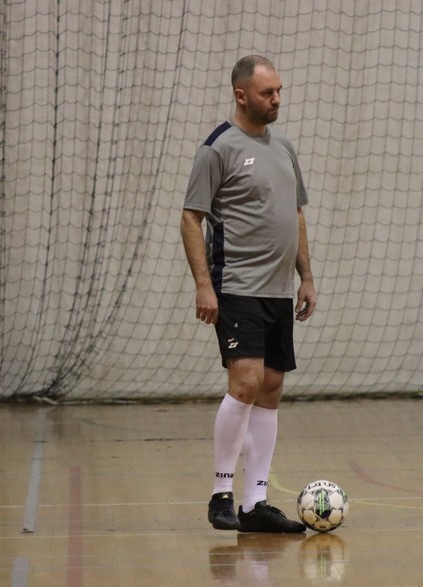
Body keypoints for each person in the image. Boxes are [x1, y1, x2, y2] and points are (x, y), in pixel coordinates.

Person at [180, 55, 317, 533]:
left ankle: (255, 503)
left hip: (279, 289)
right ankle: (220, 493)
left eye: (279, 91)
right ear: (241, 96)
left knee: (271, 387)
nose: (276, 100)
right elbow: (191, 218)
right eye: (267, 93)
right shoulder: (217, 148)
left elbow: (295, 214)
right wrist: (204, 285)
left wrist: (306, 276)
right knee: (246, 382)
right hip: (237, 283)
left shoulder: (284, 146)